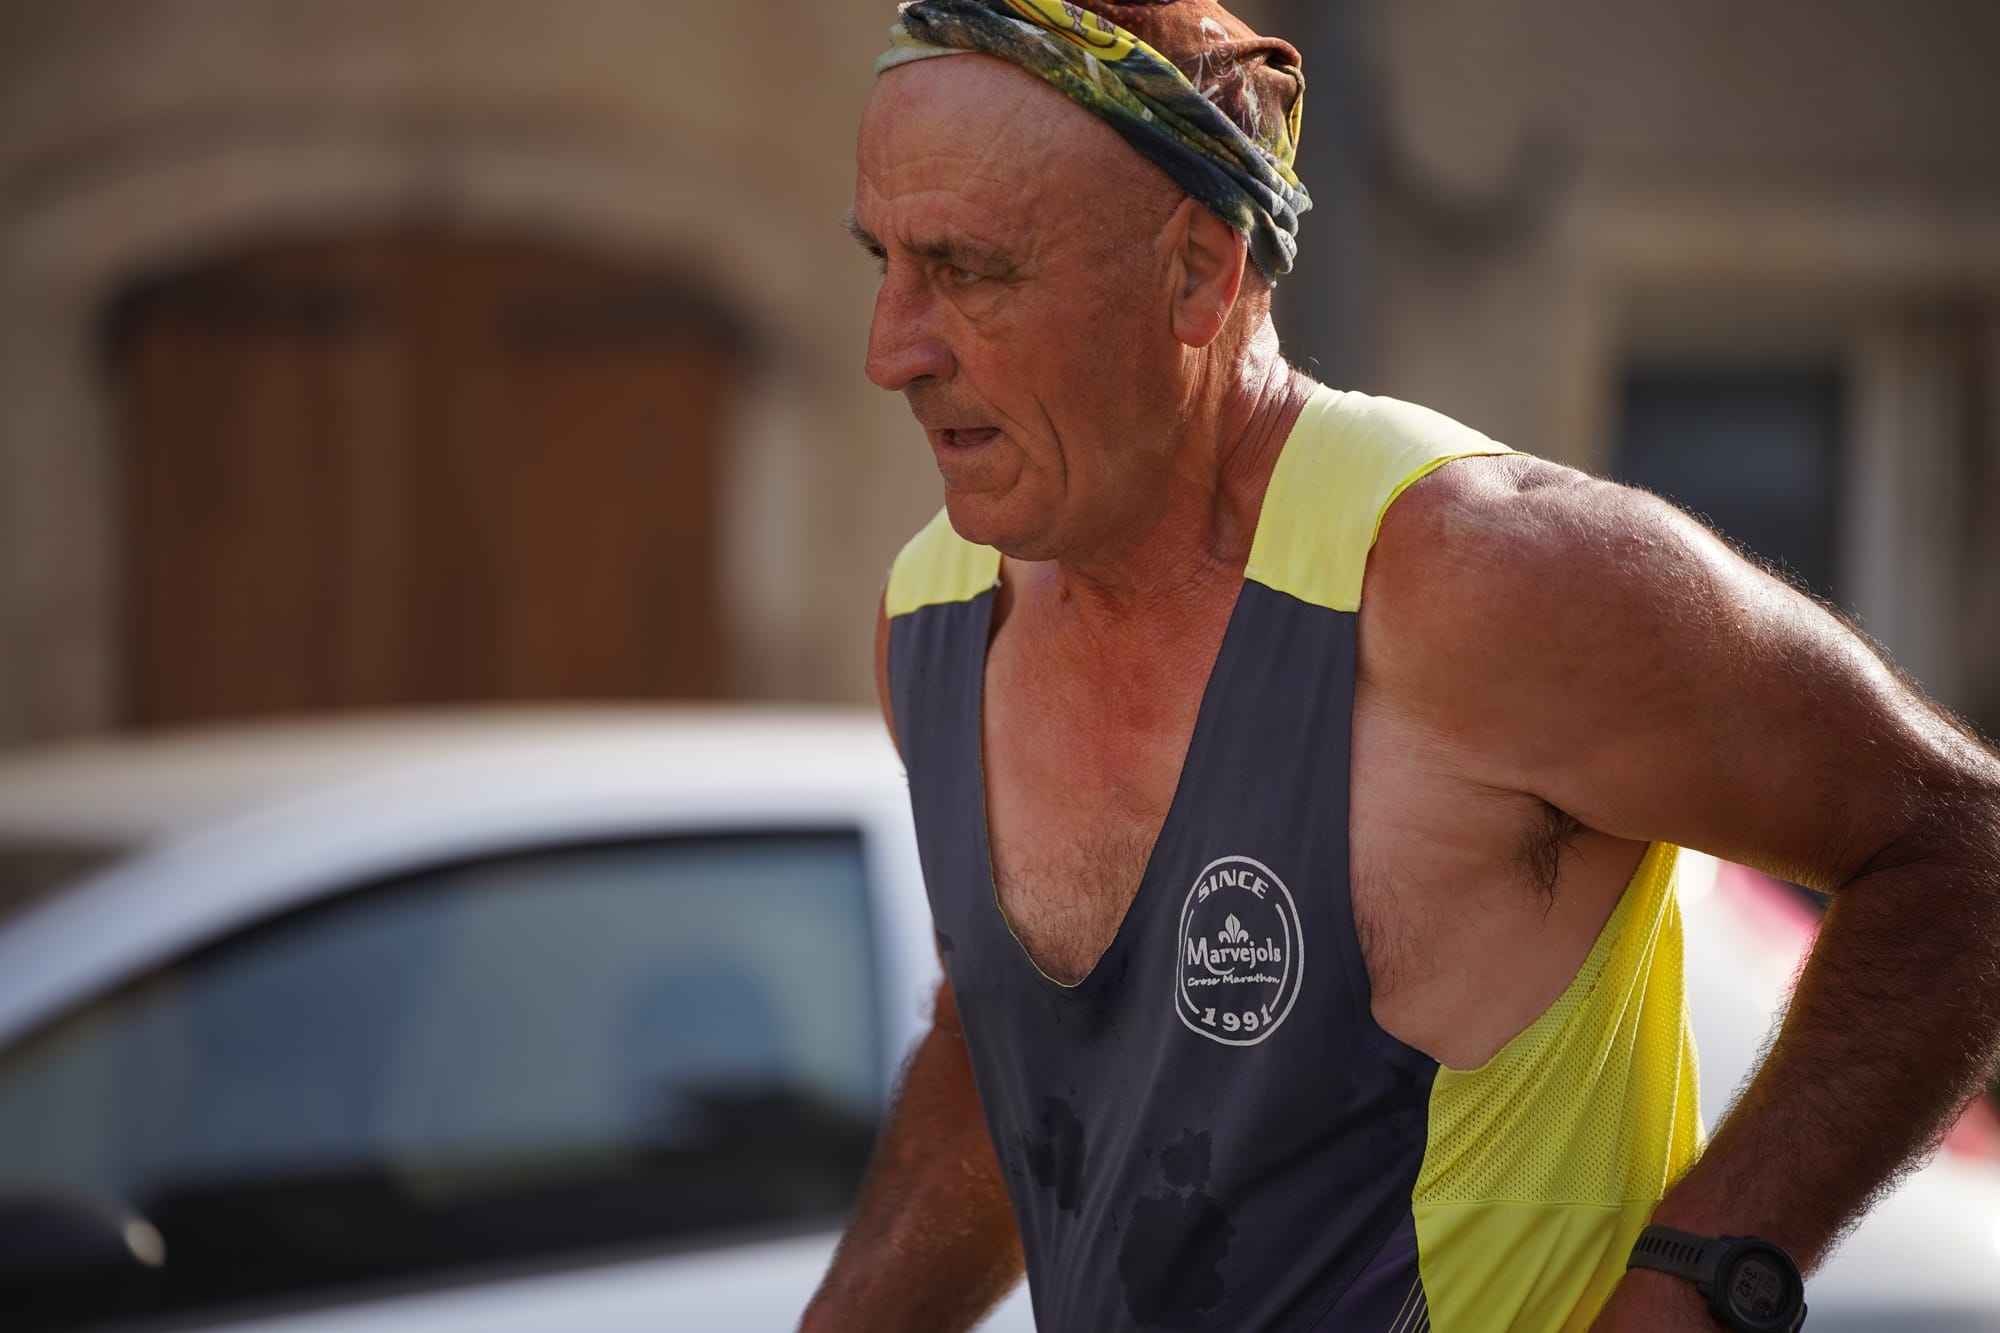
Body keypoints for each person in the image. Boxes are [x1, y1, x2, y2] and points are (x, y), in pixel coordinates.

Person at [802, 1, 2000, 1329]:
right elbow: (1015, 1051)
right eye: (886, 263)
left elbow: (1965, 848)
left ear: (1195, 274)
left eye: (968, 271)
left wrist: (1706, 1282)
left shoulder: (1482, 581)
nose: (891, 350)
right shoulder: (934, 615)